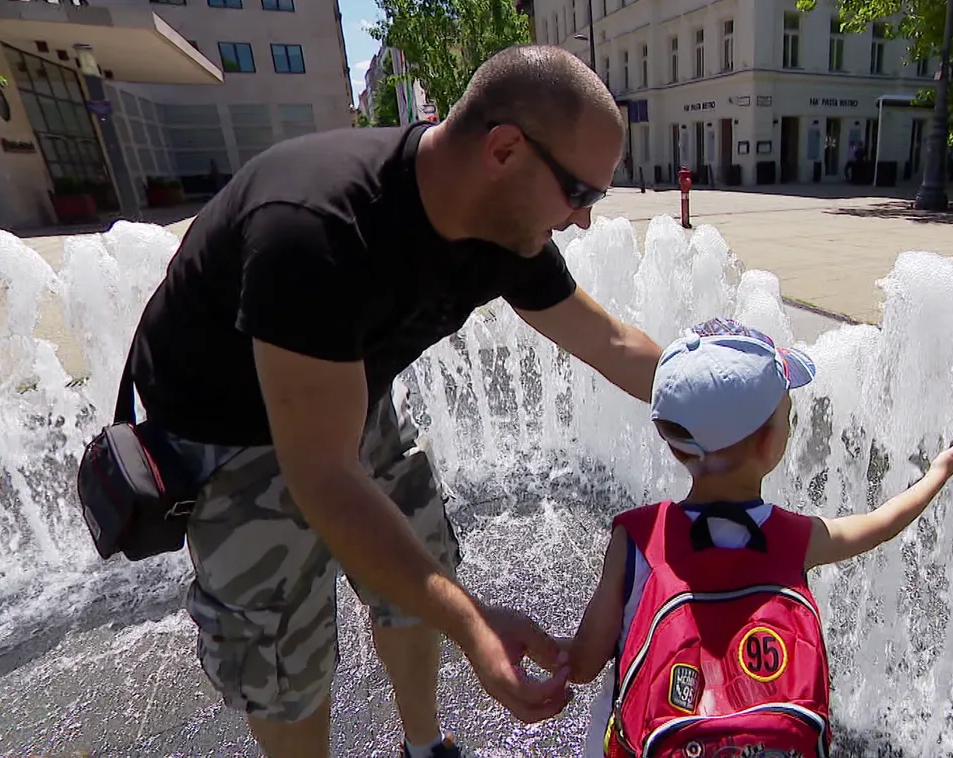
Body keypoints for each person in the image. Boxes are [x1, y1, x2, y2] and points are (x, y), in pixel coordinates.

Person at [124, 46, 662, 758]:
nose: (583, 223)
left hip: (347, 394)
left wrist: (736, 395)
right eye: (581, 194)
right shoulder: (316, 230)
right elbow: (322, 479)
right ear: (503, 148)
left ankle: (425, 747)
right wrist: (474, 626)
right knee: (284, 660)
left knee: (421, 568)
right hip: (225, 434)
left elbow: (611, 344)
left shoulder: (503, 226)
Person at [558, 318, 953, 757]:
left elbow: (584, 663)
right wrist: (937, 474)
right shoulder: (794, 538)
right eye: (788, 418)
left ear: (676, 446)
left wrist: (546, 655)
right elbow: (882, 523)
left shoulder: (638, 536)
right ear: (767, 445)